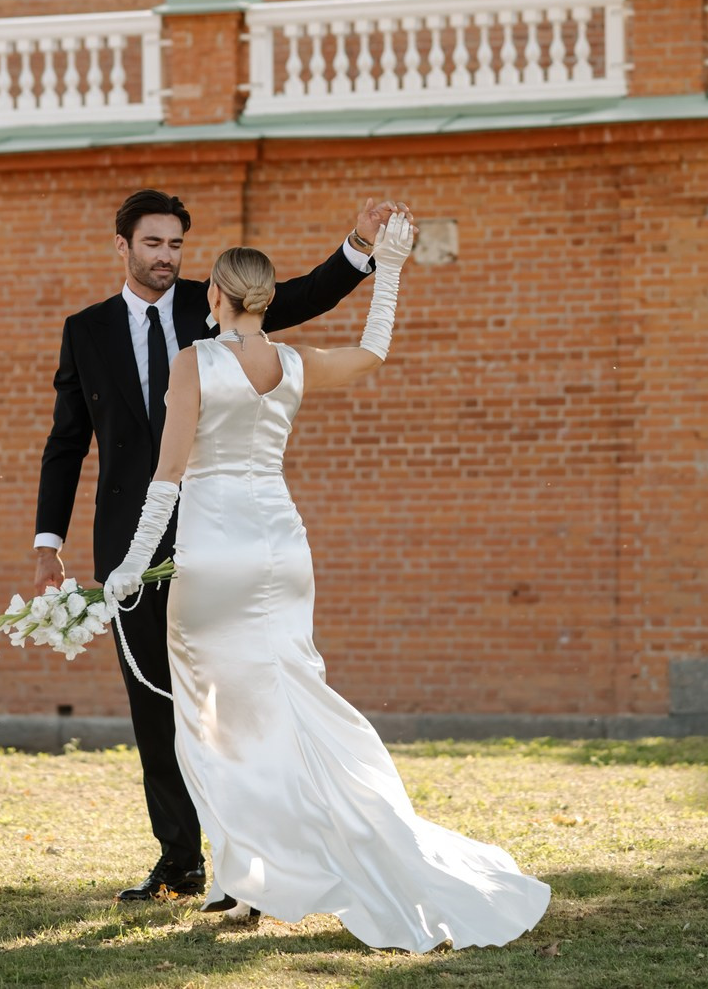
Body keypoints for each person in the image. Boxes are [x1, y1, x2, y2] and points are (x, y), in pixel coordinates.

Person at [103, 213, 551, 952]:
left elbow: (169, 477)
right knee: (288, 695)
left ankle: (241, 874)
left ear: (214, 294)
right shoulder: (295, 361)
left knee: (213, 716)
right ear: (265, 299)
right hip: (282, 550)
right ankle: (264, 868)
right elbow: (374, 352)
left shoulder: (192, 362)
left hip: (215, 553)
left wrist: (128, 566)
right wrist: (392, 267)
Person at [32, 187, 395, 904]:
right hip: (130, 533)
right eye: (154, 245)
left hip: (214, 534)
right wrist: (50, 542)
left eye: (176, 246)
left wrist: (360, 249)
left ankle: (242, 862)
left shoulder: (216, 303)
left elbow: (299, 296)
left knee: (228, 695)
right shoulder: (86, 330)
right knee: (152, 699)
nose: (167, 258)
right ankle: (180, 860)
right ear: (124, 247)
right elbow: (66, 442)